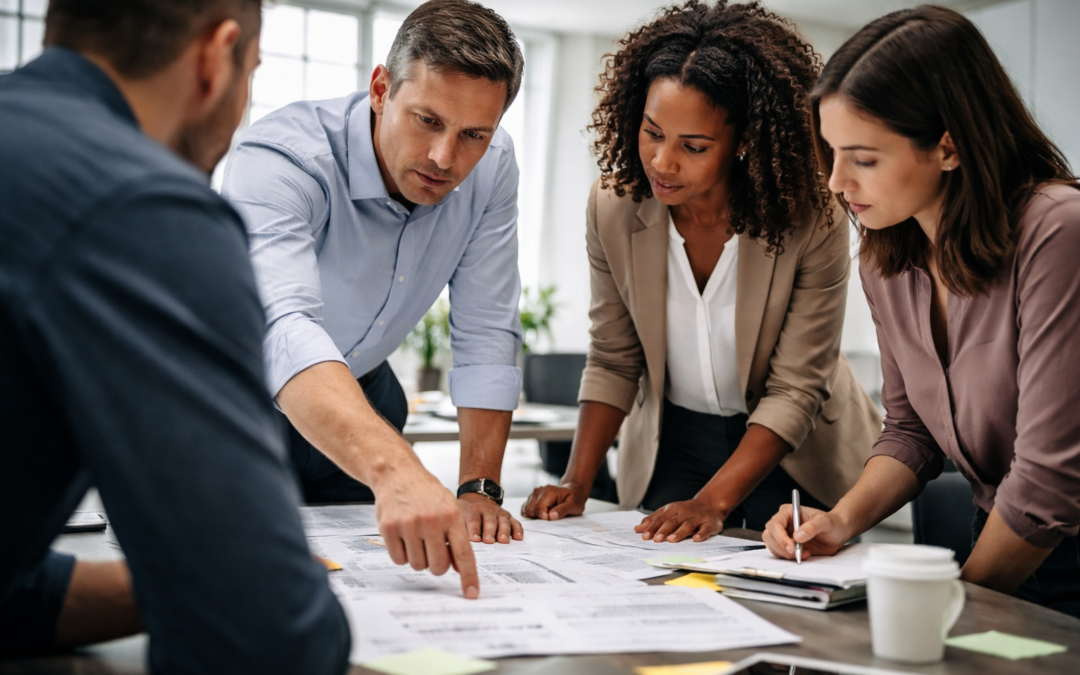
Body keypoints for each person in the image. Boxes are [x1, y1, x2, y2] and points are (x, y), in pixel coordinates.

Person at [0, 0, 354, 670]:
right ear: (215, 57)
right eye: (252, 69)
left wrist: (178, 579)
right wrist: (248, 583)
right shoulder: (143, 206)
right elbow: (262, 637)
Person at [762, 6, 1080, 618]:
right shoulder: (886, 257)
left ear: (950, 147)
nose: (834, 182)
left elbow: (1048, 482)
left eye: (864, 158)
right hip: (999, 546)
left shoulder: (1056, 230)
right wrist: (839, 519)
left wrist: (952, 605)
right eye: (831, 152)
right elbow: (911, 432)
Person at [523, 0, 882, 541]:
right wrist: (577, 480)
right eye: (651, 132)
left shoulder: (813, 216)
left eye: (693, 146)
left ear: (743, 144)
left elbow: (795, 388)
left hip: (793, 447)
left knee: (786, 600)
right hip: (674, 439)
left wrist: (714, 502)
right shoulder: (614, 207)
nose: (663, 162)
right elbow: (615, 358)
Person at [221, 0, 525, 576]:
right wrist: (397, 469)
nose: (445, 158)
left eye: (474, 134)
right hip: (238, 401)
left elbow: (486, 327)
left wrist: (478, 486)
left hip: (366, 396)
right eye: (428, 120)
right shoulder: (282, 158)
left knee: (371, 577)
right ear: (382, 88)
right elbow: (282, 326)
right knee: (252, 579)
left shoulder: (494, 164)